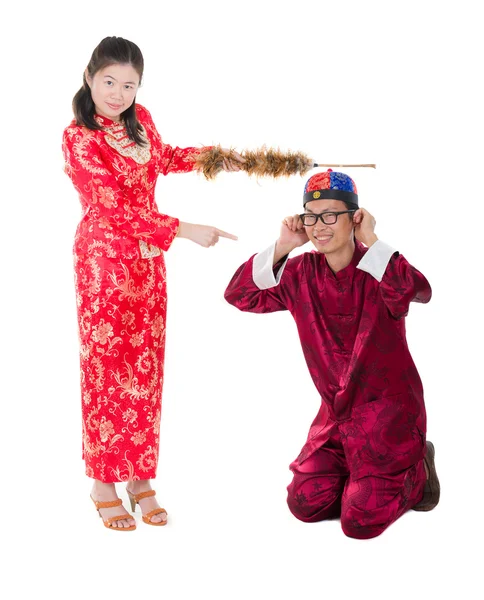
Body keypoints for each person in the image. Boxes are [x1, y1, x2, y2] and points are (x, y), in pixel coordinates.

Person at [62, 36, 242, 531]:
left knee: (145, 367)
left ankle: (139, 476)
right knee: (107, 369)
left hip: (146, 262)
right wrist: (183, 229)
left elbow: (163, 157)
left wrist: (218, 158)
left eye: (129, 85)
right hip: (104, 261)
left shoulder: (141, 123)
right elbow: (110, 208)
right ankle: (103, 480)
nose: (118, 94)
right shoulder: (79, 137)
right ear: (89, 77)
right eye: (109, 82)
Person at [224, 169, 440, 539]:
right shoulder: (299, 274)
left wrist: (371, 240)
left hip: (388, 419)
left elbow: (419, 290)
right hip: (336, 420)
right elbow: (240, 295)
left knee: (359, 523)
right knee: (304, 504)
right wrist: (283, 246)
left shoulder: (379, 271)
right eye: (311, 216)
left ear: (354, 218)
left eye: (330, 215)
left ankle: (417, 470)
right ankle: (360, 477)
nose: (318, 226)